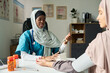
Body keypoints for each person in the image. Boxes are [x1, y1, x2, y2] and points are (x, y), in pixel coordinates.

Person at [36, 0, 110, 73]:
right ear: (34, 20)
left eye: (44, 19)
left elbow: (59, 52)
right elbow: (24, 56)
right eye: (40, 19)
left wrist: (64, 43)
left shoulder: (103, 39)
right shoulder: (27, 35)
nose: (42, 22)